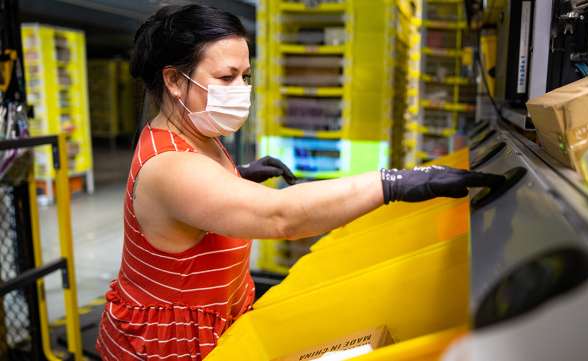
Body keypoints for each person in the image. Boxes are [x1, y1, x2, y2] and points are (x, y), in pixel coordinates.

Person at [96, 4, 503, 360]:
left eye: (246, 75)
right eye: (226, 77)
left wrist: (237, 177)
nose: (241, 90)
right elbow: (281, 217)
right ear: (173, 80)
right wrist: (395, 183)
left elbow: (196, 201)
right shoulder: (172, 167)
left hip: (212, 319)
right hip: (168, 347)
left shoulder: (195, 135)